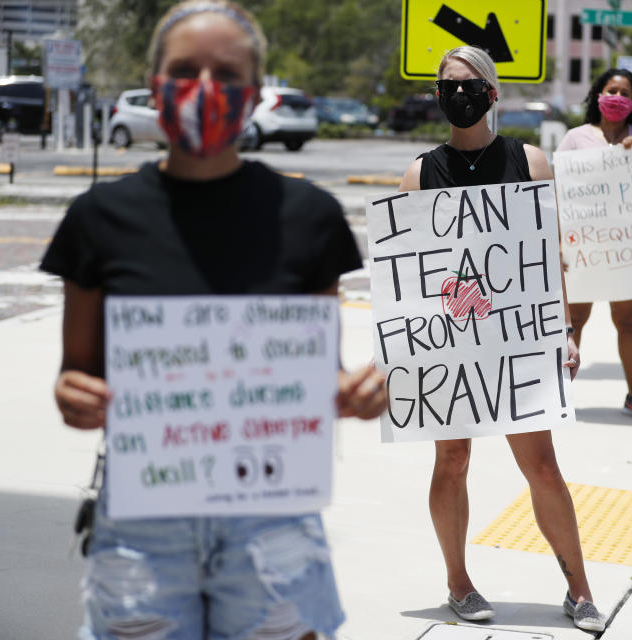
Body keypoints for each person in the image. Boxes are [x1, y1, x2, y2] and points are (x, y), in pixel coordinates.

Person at [40, 2, 387, 638]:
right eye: (184, 70)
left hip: (272, 521)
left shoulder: (308, 217)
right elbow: (74, 378)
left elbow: (318, 374)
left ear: (255, 94)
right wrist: (74, 397)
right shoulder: (99, 220)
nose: (204, 89)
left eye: (226, 75)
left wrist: (351, 394)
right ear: (154, 84)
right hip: (143, 525)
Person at [397, 46, 606, 633]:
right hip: (451, 341)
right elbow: (409, 274)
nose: (456, 94)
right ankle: (458, 584)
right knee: (453, 459)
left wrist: (564, 330)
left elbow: (549, 260)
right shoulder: (420, 173)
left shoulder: (530, 161)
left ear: (491, 93)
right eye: (446, 85)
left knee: (541, 465)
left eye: (467, 84)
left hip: (515, 340)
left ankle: (580, 589)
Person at [555, 68, 632, 425]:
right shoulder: (575, 138)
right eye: (611, 90)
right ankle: (558, 394)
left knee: (629, 321)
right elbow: (557, 191)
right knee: (575, 322)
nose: (617, 97)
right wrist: (556, 241)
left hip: (626, 248)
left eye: (625, 92)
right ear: (598, 95)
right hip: (584, 247)